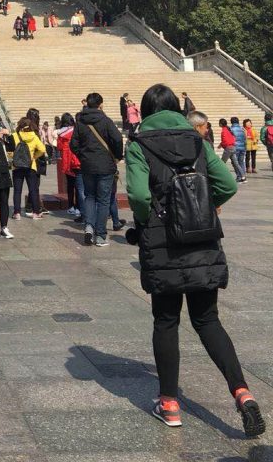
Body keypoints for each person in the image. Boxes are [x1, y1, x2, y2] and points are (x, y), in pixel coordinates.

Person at [126, 84, 265, 438]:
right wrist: (203, 207)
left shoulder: (140, 145)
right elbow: (227, 186)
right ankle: (242, 392)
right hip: (202, 239)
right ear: (176, 108)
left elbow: (139, 195)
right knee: (208, 321)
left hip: (163, 243)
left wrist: (148, 220)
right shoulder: (198, 141)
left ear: (144, 112)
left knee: (166, 321)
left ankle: (170, 404)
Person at [71, 92, 123, 247]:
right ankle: (100, 235)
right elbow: (118, 139)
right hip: (105, 165)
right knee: (103, 200)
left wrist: (83, 156)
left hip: (87, 165)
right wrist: (117, 155)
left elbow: (73, 144)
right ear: (100, 104)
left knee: (90, 196)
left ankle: (88, 226)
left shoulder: (80, 121)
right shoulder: (105, 120)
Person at [10, 116, 46, 218]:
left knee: (17, 190)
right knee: (33, 190)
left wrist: (14, 157)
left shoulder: (14, 135)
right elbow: (42, 149)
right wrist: (34, 156)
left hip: (17, 166)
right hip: (31, 166)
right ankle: (35, 213)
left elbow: (9, 151)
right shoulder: (34, 136)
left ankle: (17, 213)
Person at [56, 113, 82, 216]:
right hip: (76, 159)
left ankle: (71, 206)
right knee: (79, 186)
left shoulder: (61, 134)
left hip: (66, 160)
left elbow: (59, 147)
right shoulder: (77, 131)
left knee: (70, 185)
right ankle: (79, 207)